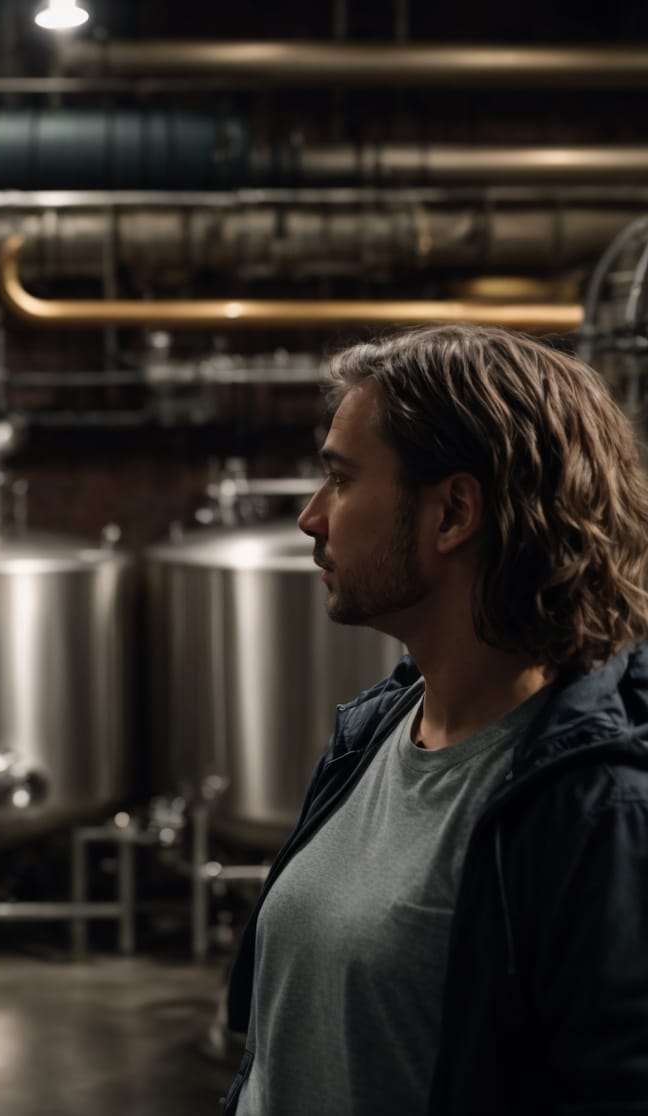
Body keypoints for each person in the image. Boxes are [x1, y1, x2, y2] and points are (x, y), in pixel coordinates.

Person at [223, 324, 648, 1115]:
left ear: (453, 512)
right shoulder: (378, 727)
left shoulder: (596, 808)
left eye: (342, 481)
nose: (312, 518)